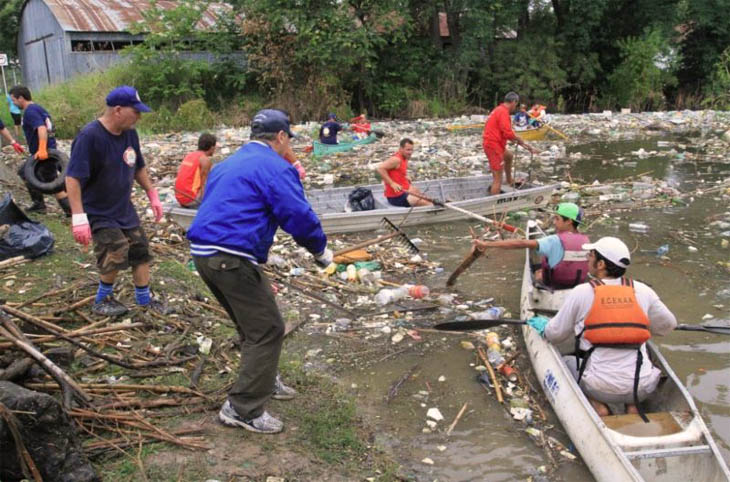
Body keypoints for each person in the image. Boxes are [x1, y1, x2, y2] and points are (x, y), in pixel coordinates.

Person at [186, 109, 333, 434]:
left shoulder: (226, 164)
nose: (287, 146)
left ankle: (265, 378)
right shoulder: (275, 167)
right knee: (267, 329)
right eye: (287, 139)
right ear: (280, 136)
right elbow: (297, 214)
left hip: (203, 254)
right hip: (230, 255)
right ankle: (243, 409)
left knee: (252, 324)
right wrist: (321, 251)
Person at [527, 237, 677, 419]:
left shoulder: (582, 292)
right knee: (642, 355)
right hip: (643, 387)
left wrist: (544, 327)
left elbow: (555, 335)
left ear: (601, 264)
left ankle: (598, 407)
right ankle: (633, 408)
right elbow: (668, 326)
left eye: (590, 255)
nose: (587, 259)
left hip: (599, 388)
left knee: (567, 362)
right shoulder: (643, 290)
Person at [65, 86, 167, 317]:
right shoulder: (90, 136)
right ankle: (102, 300)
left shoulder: (130, 133)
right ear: (118, 110)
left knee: (140, 249)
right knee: (116, 251)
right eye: (136, 112)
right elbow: (72, 178)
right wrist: (78, 216)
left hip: (123, 208)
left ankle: (144, 299)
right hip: (98, 210)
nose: (139, 117)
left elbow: (137, 166)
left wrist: (152, 194)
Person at [473, 203, 590, 289]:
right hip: (576, 287)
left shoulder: (554, 240)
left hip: (553, 286)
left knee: (538, 272)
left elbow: (521, 243)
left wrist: (487, 244)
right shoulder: (586, 241)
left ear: (569, 221)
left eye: (557, 218)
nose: (554, 222)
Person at [9, 85, 71, 216]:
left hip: (44, 154)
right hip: (42, 153)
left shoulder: (30, 111)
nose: (13, 103)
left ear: (21, 98)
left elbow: (41, 128)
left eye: (14, 100)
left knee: (53, 184)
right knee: (24, 172)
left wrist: (42, 149)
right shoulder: (37, 108)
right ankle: (39, 204)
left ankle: (71, 211)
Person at [482, 92, 539, 196]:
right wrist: (520, 140)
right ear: (514, 102)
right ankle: (494, 205)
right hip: (493, 145)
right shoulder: (503, 112)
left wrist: (526, 146)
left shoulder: (499, 109)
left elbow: (507, 134)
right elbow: (508, 133)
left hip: (496, 143)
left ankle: (509, 180)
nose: (515, 107)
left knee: (509, 156)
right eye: (516, 105)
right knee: (498, 177)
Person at [377, 138, 432, 208]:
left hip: (404, 190)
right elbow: (380, 168)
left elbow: (397, 170)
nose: (410, 152)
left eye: (411, 150)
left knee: (418, 191)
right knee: (428, 204)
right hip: (396, 197)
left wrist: (405, 175)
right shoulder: (396, 159)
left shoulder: (405, 157)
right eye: (408, 150)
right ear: (401, 149)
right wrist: (391, 183)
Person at [174, 133, 216, 208]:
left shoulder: (189, 155)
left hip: (179, 196)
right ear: (212, 147)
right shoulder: (205, 160)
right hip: (190, 199)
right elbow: (204, 185)